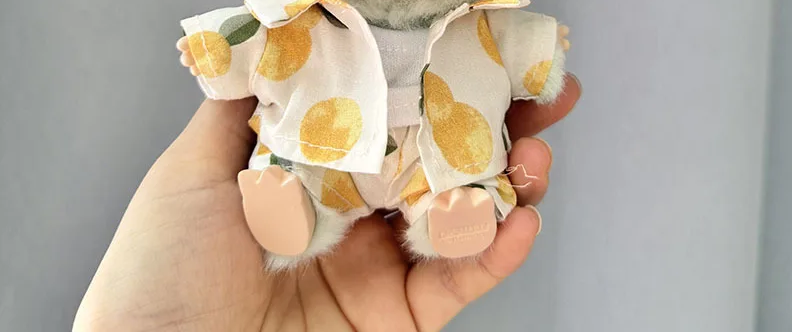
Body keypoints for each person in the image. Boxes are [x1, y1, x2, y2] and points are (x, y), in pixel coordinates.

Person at [73, 76, 579, 331]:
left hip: (424, 150)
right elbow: (249, 48)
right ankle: (296, 210)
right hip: (332, 149)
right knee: (293, 156)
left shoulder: (475, 16)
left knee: (464, 166)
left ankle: (452, 213)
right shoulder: (300, 15)